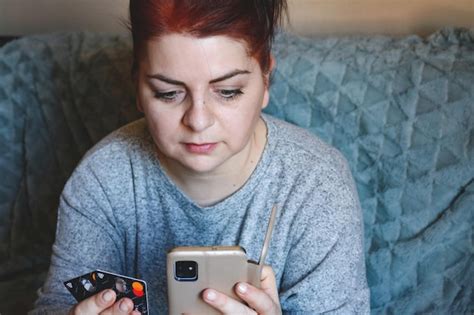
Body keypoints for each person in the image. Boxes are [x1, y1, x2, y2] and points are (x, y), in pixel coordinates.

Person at [31, 0, 370, 314]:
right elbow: (56, 304)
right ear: (137, 87)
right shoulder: (101, 180)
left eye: (227, 92)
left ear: (267, 78)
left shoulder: (317, 186)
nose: (198, 121)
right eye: (168, 93)